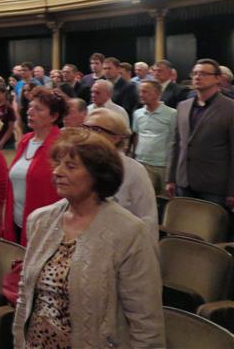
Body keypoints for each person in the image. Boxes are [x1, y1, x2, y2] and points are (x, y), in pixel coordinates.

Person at [13, 128, 164, 348]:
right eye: (58, 163)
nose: (58, 172)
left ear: (98, 176)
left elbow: (146, 323)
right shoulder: (41, 221)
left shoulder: (129, 233)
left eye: (71, 166)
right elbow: (25, 296)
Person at [167, 58, 234, 211]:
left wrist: (232, 189)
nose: (197, 77)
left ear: (218, 78)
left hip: (214, 185)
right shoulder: (183, 106)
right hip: (184, 181)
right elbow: (176, 144)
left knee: (210, 232)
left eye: (203, 73)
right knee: (183, 229)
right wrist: (171, 178)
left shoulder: (230, 108)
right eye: (195, 73)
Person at [83, 108, 158, 241]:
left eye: (96, 130)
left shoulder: (135, 171)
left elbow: (147, 219)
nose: (88, 134)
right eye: (85, 128)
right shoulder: (78, 165)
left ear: (116, 138)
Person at [2, 87, 65, 245]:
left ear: (54, 116)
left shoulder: (62, 145)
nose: (30, 112)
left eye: (38, 109)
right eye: (30, 107)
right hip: (17, 222)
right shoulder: (25, 140)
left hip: (45, 228)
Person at [131, 81, 176, 194]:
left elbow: (175, 140)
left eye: (145, 92)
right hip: (142, 163)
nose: (141, 94)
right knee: (144, 198)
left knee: (164, 201)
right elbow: (136, 136)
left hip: (163, 165)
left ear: (157, 94)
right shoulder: (137, 113)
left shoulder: (172, 114)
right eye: (140, 91)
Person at [0, 83, 16, 150]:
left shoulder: (8, 108)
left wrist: (1, 143)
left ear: (4, 94)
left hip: (7, 142)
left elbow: (10, 128)